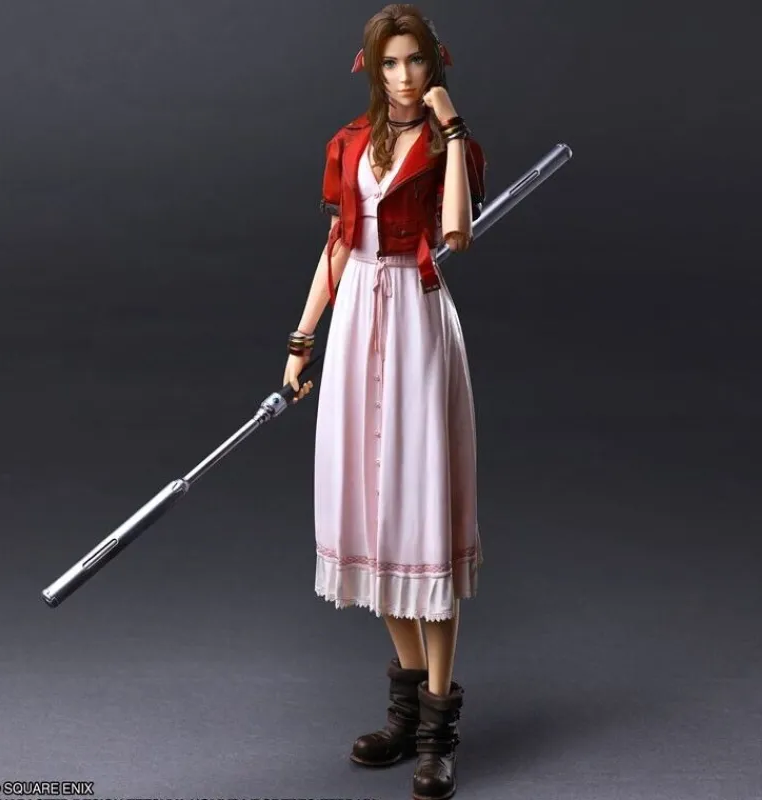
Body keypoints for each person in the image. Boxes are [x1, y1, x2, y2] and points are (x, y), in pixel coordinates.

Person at [282, 5, 486, 797]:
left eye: (417, 62)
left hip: (416, 322)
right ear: (371, 67)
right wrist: (303, 338)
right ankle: (406, 714)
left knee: (422, 516)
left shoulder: (446, 143)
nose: (404, 77)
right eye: (391, 63)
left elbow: (457, 233)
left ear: (436, 64)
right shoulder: (349, 143)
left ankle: (437, 730)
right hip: (356, 323)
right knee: (374, 516)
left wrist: (453, 129)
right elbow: (339, 243)